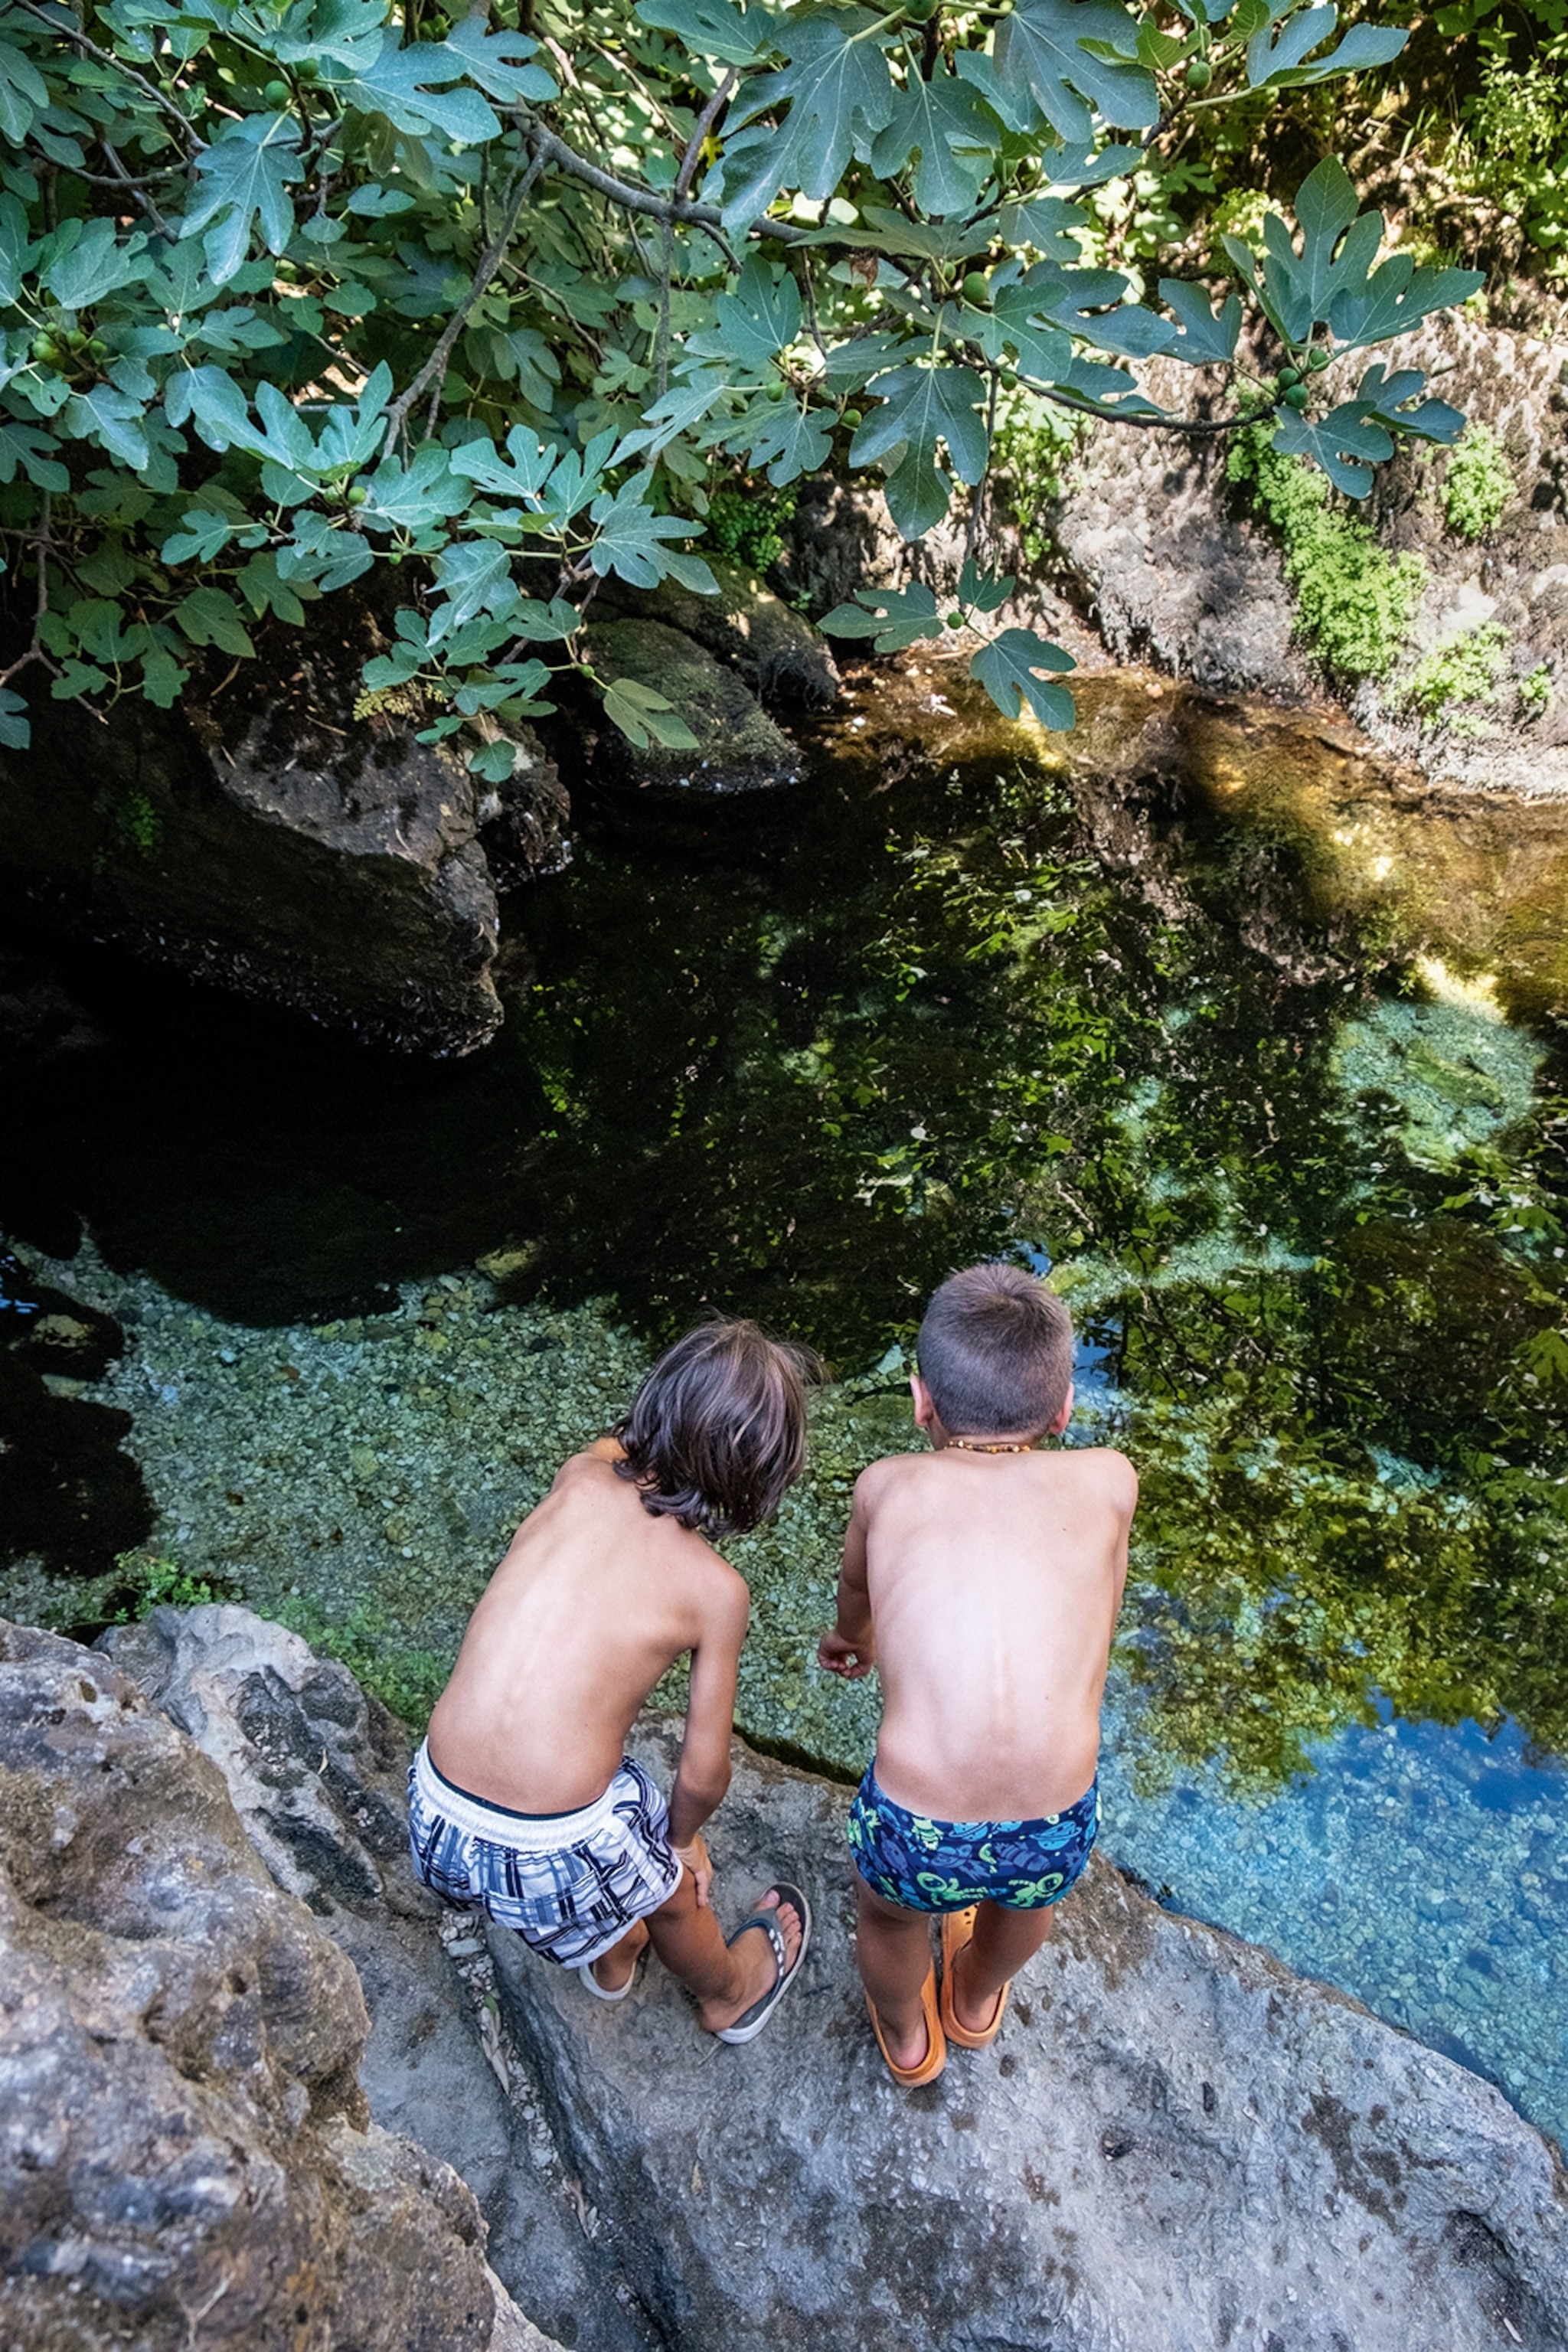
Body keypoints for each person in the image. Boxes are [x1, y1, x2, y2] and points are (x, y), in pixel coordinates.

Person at [410, 1318, 813, 2043]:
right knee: (669, 1888)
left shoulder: (579, 1477)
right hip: (548, 1845)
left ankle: (609, 1957)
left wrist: (660, 1420)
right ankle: (727, 1991)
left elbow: (616, 1446)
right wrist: (683, 1843)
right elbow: (703, 1772)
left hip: (434, 1812)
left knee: (599, 1827)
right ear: (761, 1477)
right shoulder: (715, 1590)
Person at [818, 1263, 1135, 2085]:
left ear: (920, 1400)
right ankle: (969, 2000)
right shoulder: (1109, 1481)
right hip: (1050, 1817)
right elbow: (1105, 1599)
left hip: (914, 1820)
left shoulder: (885, 1485)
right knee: (1026, 1906)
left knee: (887, 1919)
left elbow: (857, 1593)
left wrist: (853, 1639)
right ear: (1063, 1410)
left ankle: (907, 2037)